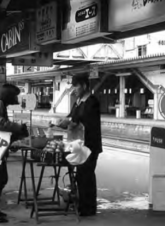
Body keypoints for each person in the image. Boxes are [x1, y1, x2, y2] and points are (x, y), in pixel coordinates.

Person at [58, 73, 103, 217]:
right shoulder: (78, 101)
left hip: (89, 146)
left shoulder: (92, 101)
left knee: (87, 176)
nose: (74, 89)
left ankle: (88, 209)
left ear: (83, 85)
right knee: (81, 176)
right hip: (79, 145)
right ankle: (82, 205)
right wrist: (62, 122)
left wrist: (71, 121)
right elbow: (72, 116)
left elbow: (84, 119)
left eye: (76, 86)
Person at [0, 84, 28, 223]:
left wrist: (15, 138)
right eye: (15, 95)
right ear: (8, 95)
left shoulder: (0, 104)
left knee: (0, 180)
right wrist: (18, 127)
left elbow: (2, 128)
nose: (16, 98)